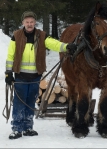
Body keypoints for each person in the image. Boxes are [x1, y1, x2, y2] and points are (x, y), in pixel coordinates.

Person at [5, 11, 76, 139]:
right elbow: (10, 55)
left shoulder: (42, 35)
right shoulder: (16, 36)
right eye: (27, 22)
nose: (29, 24)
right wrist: (8, 73)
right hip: (20, 76)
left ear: (35, 23)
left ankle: (28, 127)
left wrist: (66, 47)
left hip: (35, 76)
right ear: (23, 23)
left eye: (32, 22)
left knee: (31, 102)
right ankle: (16, 128)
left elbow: (54, 44)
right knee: (19, 103)